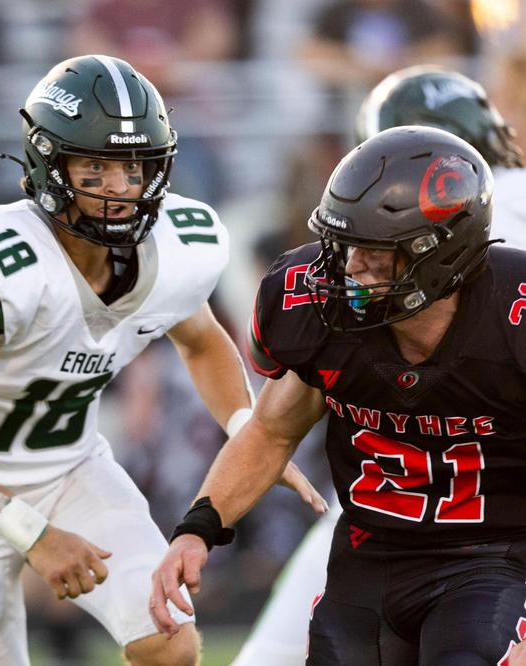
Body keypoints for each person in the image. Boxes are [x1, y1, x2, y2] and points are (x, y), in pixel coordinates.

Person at [0, 55, 325, 666]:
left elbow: (201, 339)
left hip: (75, 470)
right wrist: (32, 533)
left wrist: (247, 431)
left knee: (170, 642)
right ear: (49, 162)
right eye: (95, 166)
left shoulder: (176, 247)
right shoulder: (5, 264)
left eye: (133, 166)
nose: (118, 186)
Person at [151, 124, 526, 664]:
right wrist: (197, 530)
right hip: (371, 559)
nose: (350, 267)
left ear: (441, 254)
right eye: (346, 244)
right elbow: (271, 431)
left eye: (376, 251)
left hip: (495, 559)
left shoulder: (513, 315)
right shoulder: (317, 309)